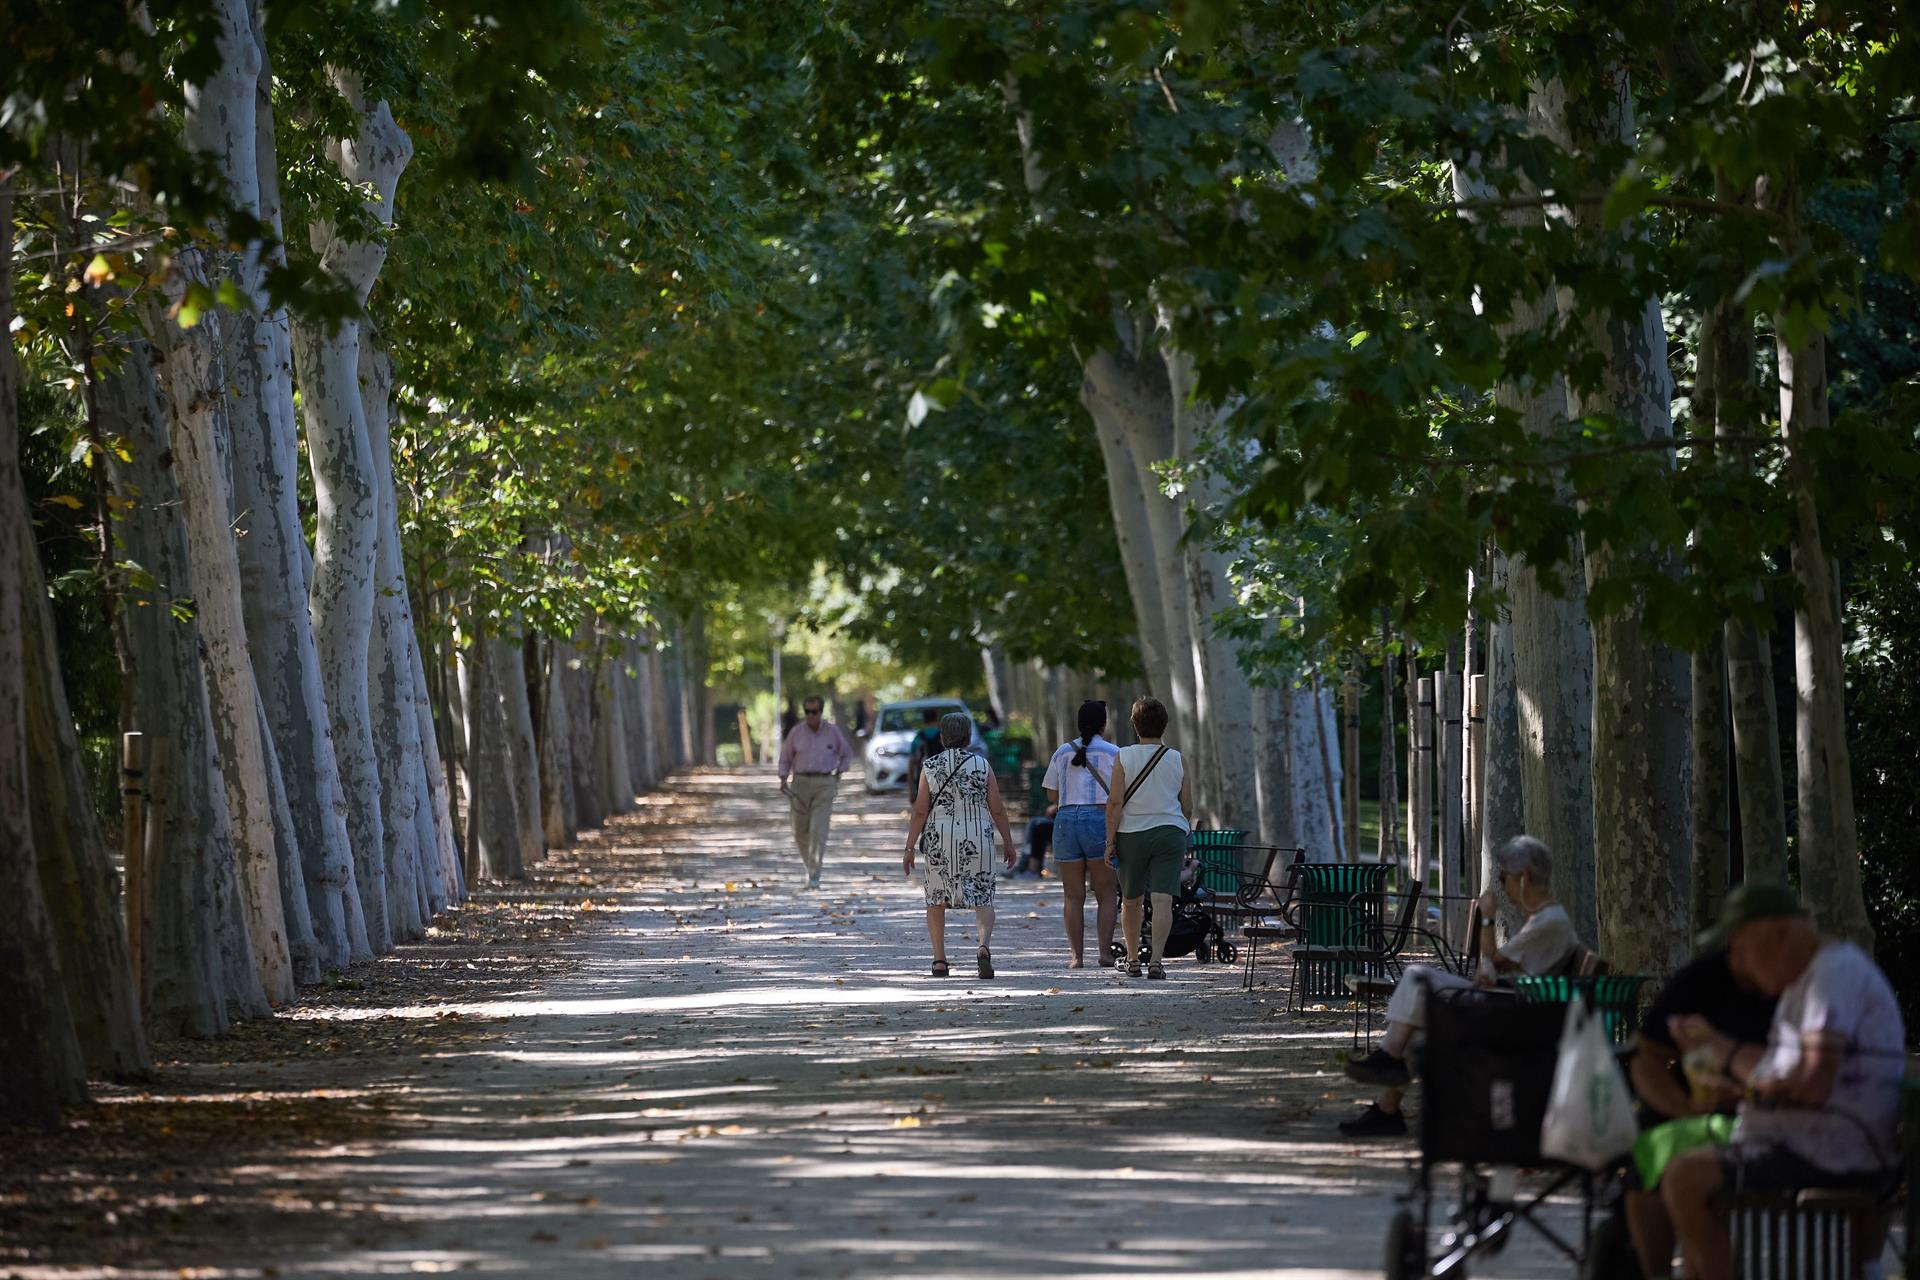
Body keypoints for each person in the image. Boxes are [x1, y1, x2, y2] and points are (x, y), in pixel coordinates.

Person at [1660, 883, 1905, 1280]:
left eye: (1741, 949)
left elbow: (1812, 1084)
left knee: (1684, 1178)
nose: (1737, 964)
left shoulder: (1832, 976)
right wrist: (1739, 1090)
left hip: (1830, 1153)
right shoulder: (1807, 981)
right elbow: (1786, 1071)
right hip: (1811, 1143)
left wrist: (1721, 1047)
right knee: (1680, 1172)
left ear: (1778, 934)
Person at [1337, 834, 1580, 1137]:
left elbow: (1492, 957)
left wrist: (1488, 917)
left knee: (1417, 976)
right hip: (1509, 1007)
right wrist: (1493, 972)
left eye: (1504, 877)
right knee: (1417, 1026)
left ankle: (1389, 1056)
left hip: (1509, 1016)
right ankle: (1387, 1108)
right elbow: (1502, 966)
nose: (1503, 886)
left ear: (1524, 877)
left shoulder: (1548, 922)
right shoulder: (1543, 919)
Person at [1619, 945, 1778, 1278]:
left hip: (1772, 1123)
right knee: (1647, 1152)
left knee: (1683, 1175)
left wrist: (1737, 1089)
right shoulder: (1704, 976)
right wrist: (1685, 1108)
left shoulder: (1796, 987)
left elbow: (1796, 1079)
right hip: (1701, 1115)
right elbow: (1645, 1053)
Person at [903, 712, 1017, 978]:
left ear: (942, 738)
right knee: (983, 895)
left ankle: (939, 960)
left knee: (936, 899)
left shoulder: (929, 767)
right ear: (967, 737)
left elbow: (920, 811)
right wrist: (1008, 842)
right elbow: (997, 809)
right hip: (977, 836)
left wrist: (909, 848)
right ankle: (983, 946)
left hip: (939, 836)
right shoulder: (981, 765)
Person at [1104, 695, 1192, 980]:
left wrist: (1110, 840)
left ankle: (1132, 959)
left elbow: (1115, 802)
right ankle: (1156, 960)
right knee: (1163, 898)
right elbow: (1187, 805)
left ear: (1134, 724)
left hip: (1132, 833)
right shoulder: (1177, 758)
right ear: (1165, 725)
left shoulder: (1124, 756)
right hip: (1169, 831)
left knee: (1131, 900)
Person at [1040, 700, 1121, 968]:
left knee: (1072, 895)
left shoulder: (1062, 752)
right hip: (1099, 820)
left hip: (1066, 821)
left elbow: (1052, 794)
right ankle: (1104, 953)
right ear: (1103, 724)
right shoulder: (1114, 753)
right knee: (1106, 892)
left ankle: (1076, 957)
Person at [776, 695, 852, 891]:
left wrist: (838, 775)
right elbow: (785, 758)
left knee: (818, 830)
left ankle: (814, 876)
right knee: (800, 831)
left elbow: (846, 754)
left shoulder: (832, 732)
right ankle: (810, 867)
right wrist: (783, 778)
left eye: (814, 712)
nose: (810, 716)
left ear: (821, 712)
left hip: (824, 783)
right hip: (799, 783)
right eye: (807, 712)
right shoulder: (796, 732)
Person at [904, 707, 943, 802]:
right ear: (937, 718)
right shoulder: (943, 736)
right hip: (941, 781)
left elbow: (911, 765)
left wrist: (911, 790)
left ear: (924, 720)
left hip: (921, 782)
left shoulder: (918, 738)